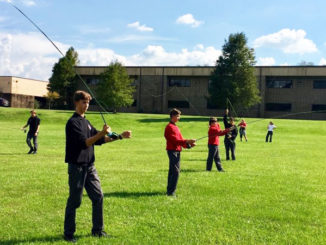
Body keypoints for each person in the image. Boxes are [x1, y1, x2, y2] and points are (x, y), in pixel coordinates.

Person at [63, 90, 131, 243]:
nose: (86, 105)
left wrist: (120, 136)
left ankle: (97, 231)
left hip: (90, 166)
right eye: (83, 102)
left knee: (98, 196)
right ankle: (68, 234)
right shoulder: (73, 123)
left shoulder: (86, 122)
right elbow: (85, 142)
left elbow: (100, 140)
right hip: (77, 167)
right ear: (76, 103)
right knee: (75, 201)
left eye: (88, 102)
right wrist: (101, 133)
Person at [164, 108, 196, 197]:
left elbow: (180, 140)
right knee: (175, 171)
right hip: (172, 151)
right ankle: (171, 192)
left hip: (177, 151)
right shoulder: (169, 127)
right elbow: (175, 140)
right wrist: (187, 141)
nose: (179, 118)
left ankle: (169, 190)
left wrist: (189, 145)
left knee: (172, 171)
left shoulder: (176, 127)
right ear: (173, 116)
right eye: (178, 116)